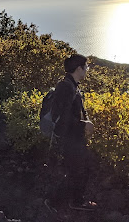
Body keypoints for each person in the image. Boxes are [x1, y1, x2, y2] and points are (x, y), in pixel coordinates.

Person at [45, 54, 97, 212]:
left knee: (77, 169)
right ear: (79, 68)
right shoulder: (66, 87)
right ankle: (59, 201)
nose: (87, 70)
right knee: (78, 169)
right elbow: (64, 119)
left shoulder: (71, 84)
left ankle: (70, 200)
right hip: (70, 138)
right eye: (86, 67)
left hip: (73, 137)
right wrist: (84, 125)